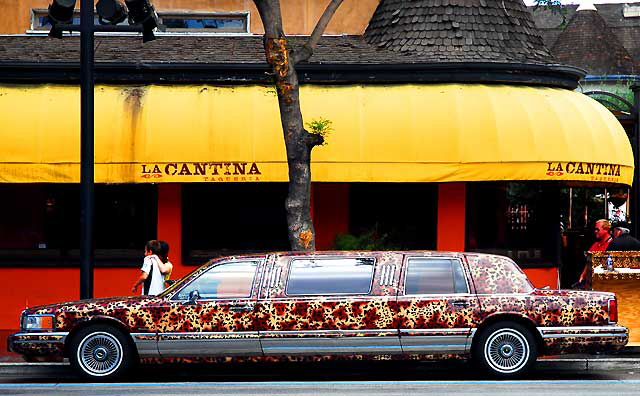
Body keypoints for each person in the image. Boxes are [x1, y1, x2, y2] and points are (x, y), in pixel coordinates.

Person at [577, 219, 612, 285]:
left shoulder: (612, 244)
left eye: (598, 229)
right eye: (595, 229)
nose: (595, 231)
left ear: (606, 230)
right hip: (591, 280)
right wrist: (583, 274)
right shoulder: (596, 244)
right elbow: (588, 261)